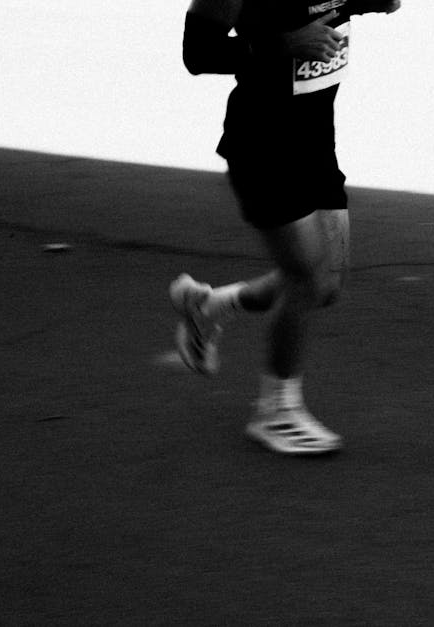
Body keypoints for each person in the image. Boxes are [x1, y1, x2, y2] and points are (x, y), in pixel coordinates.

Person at [170, 0, 401, 455]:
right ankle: (276, 411)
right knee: (306, 278)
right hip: (262, 146)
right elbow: (197, 54)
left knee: (324, 284)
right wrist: (283, 44)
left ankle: (210, 306)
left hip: (316, 142)